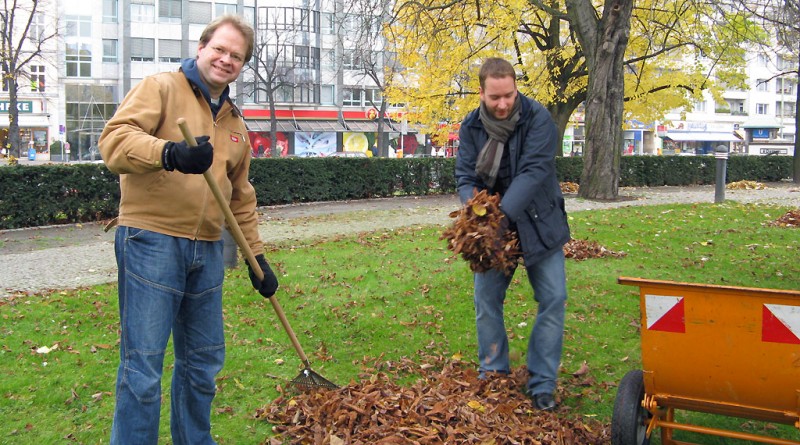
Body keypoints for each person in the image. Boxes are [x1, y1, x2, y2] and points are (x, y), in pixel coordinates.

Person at [98, 15, 279, 445]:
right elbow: (114, 141)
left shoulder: (235, 124)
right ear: (202, 47)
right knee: (142, 367)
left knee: (203, 363)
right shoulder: (161, 87)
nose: (226, 59)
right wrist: (169, 153)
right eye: (220, 49)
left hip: (208, 251)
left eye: (236, 56)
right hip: (151, 241)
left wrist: (257, 258)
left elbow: (241, 196)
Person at [455, 57, 571, 411]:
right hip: (493, 229)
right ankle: (493, 375)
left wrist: (497, 220)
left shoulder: (538, 119)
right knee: (486, 301)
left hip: (539, 222)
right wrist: (475, 215)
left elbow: (533, 173)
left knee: (553, 298)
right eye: (495, 98)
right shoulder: (471, 127)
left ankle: (543, 384)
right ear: (482, 93)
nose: (503, 104)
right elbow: (465, 176)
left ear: (516, 88)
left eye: (508, 95)